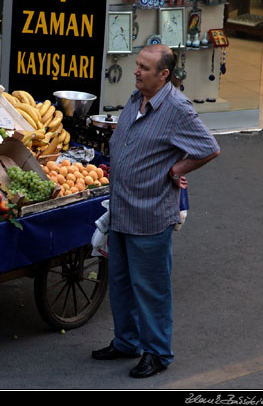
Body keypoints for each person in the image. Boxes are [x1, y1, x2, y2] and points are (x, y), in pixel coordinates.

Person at [92, 44, 220, 378]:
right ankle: (126, 342)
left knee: (151, 289)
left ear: (164, 74)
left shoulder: (177, 108)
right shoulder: (136, 98)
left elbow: (209, 148)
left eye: (144, 68)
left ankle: (158, 353)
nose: (136, 71)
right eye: (137, 65)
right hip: (121, 209)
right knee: (120, 283)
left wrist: (177, 170)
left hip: (150, 213)